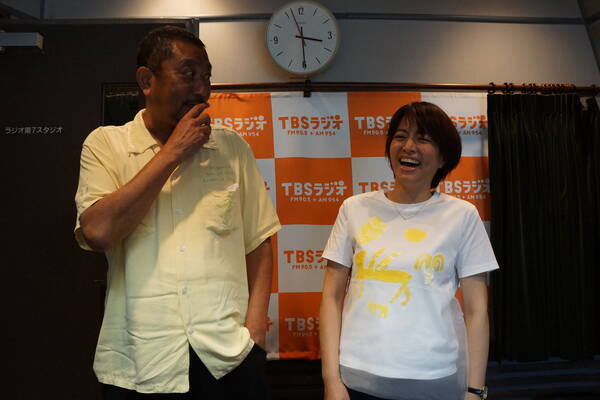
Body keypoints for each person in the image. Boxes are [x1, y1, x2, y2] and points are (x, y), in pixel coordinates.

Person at [74, 26, 280, 399]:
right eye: (188, 74)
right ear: (146, 80)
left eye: (207, 77)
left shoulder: (232, 148)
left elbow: (259, 243)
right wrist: (172, 153)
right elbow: (98, 232)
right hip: (139, 358)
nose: (202, 89)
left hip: (227, 355)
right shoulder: (106, 144)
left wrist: (255, 332)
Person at [320, 102, 499, 400]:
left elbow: (476, 310)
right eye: (401, 136)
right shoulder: (355, 209)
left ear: (444, 157)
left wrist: (475, 390)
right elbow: (331, 296)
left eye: (423, 139)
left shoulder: (462, 215)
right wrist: (331, 381)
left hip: (435, 377)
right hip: (356, 378)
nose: (409, 147)